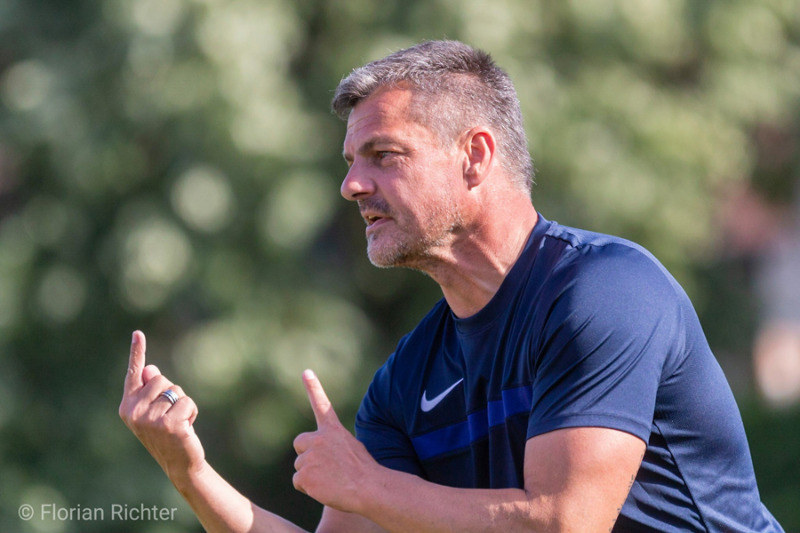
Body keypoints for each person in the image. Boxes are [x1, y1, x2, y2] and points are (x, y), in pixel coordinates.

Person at [119, 40, 784, 532]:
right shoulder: (406, 381)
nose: (352, 185)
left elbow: (567, 523)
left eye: (384, 156)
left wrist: (371, 486)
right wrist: (192, 473)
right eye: (351, 162)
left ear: (475, 157)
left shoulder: (605, 291)